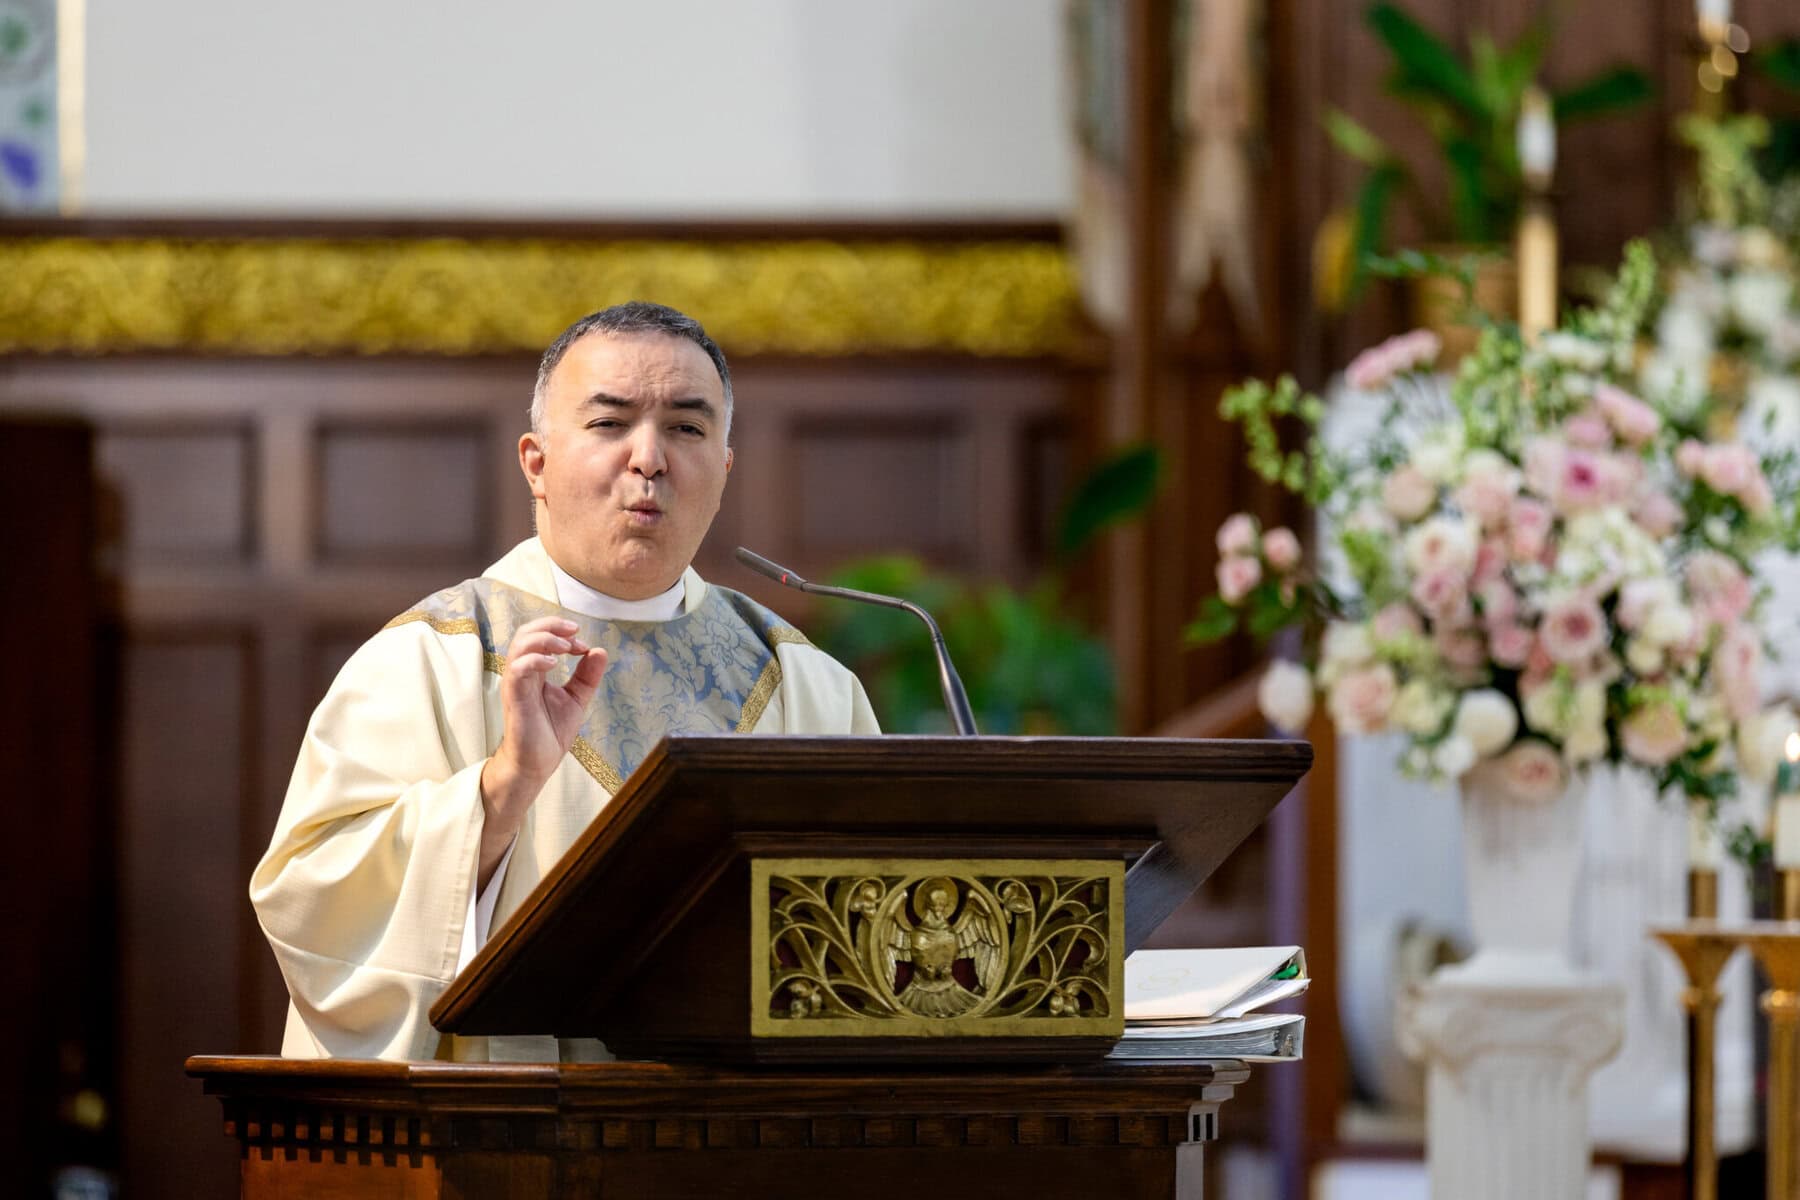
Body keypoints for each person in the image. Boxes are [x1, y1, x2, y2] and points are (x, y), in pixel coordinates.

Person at [250, 302, 880, 1062]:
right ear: (537, 463)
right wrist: (501, 789)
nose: (649, 459)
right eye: (610, 424)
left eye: (686, 427)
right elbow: (311, 901)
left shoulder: (805, 684)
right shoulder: (434, 657)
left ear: (724, 469)